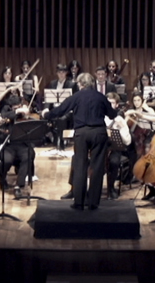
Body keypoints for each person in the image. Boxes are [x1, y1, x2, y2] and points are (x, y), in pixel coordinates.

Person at [42, 72, 117, 210]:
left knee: (80, 166)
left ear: (80, 84)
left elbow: (60, 110)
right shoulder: (100, 97)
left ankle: (79, 202)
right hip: (99, 133)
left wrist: (47, 114)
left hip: (81, 133)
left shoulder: (76, 97)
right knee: (97, 168)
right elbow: (112, 114)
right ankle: (93, 203)